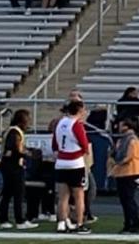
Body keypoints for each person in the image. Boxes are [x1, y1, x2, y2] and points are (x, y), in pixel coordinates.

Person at [53, 99, 90, 234]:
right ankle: (79, 223)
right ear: (79, 111)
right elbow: (85, 145)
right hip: (75, 163)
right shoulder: (77, 125)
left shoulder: (59, 122)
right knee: (79, 196)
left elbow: (55, 145)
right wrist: (82, 153)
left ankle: (61, 223)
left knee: (63, 197)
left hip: (61, 162)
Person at [0, 108, 37, 229]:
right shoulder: (14, 132)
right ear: (22, 121)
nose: (29, 123)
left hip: (8, 165)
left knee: (8, 193)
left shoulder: (12, 131)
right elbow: (13, 150)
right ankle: (20, 220)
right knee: (18, 194)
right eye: (27, 120)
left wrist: (26, 151)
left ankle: (4, 220)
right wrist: (27, 154)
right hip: (13, 166)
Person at [110, 118, 139, 234]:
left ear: (127, 126)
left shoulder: (132, 140)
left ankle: (134, 224)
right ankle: (128, 223)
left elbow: (129, 157)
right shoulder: (124, 140)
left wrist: (116, 162)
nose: (118, 128)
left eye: (121, 125)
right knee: (125, 200)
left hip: (130, 171)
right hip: (123, 172)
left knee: (129, 199)